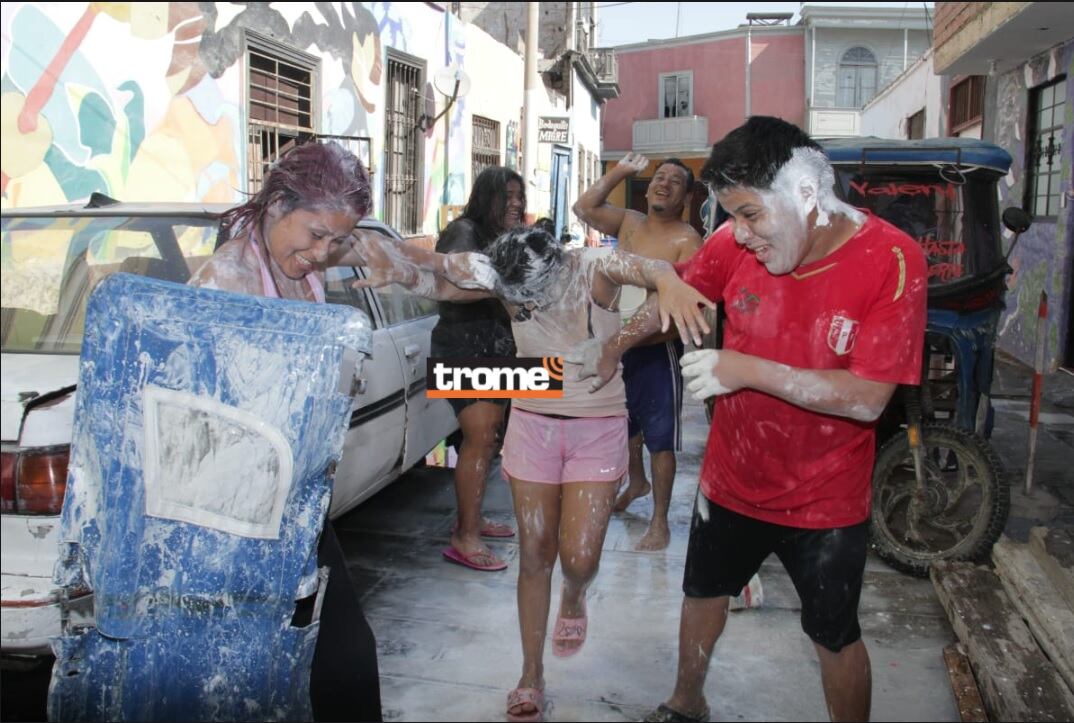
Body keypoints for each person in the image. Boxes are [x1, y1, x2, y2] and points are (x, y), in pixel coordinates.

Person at [576, 116, 927, 722]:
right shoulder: (728, 246)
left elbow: (868, 397)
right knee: (702, 594)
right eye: (728, 216)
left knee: (834, 634)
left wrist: (746, 368)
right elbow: (673, 304)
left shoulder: (893, 259)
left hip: (826, 500)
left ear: (807, 197)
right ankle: (687, 702)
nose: (737, 234)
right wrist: (613, 348)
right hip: (731, 479)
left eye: (749, 214)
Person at [359, 225, 712, 723]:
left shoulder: (594, 267)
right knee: (536, 550)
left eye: (532, 299)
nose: (526, 307)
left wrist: (616, 346)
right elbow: (441, 273)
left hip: (597, 424)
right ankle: (531, 674)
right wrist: (395, 265)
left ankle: (575, 592)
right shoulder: (507, 271)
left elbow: (659, 275)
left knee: (581, 557)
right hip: (534, 421)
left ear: (557, 269)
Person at [190, 140, 468, 722]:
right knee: (274, 676)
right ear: (275, 204)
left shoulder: (327, 241)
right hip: (240, 523)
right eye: (314, 235)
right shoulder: (227, 284)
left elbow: (435, 272)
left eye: (336, 241)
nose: (322, 254)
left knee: (346, 666)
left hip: (300, 507)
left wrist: (524, 278)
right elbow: (200, 439)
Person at [572, 153, 702, 551]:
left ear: (686, 197)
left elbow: (683, 305)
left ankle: (659, 522)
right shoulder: (629, 221)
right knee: (624, 425)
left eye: (674, 181)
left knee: (660, 440)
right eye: (658, 177)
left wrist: (628, 340)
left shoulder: (688, 241)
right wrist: (621, 171)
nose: (663, 184)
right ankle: (636, 481)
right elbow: (584, 208)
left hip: (655, 349)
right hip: (615, 343)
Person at [430, 166, 526, 572]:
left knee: (491, 440)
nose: (517, 203)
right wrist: (503, 288)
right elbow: (446, 287)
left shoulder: (498, 237)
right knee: (481, 438)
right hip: (463, 347)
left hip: (497, 348)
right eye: (508, 195)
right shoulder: (463, 231)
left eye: (520, 196)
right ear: (487, 195)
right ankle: (464, 537)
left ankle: (472, 518)